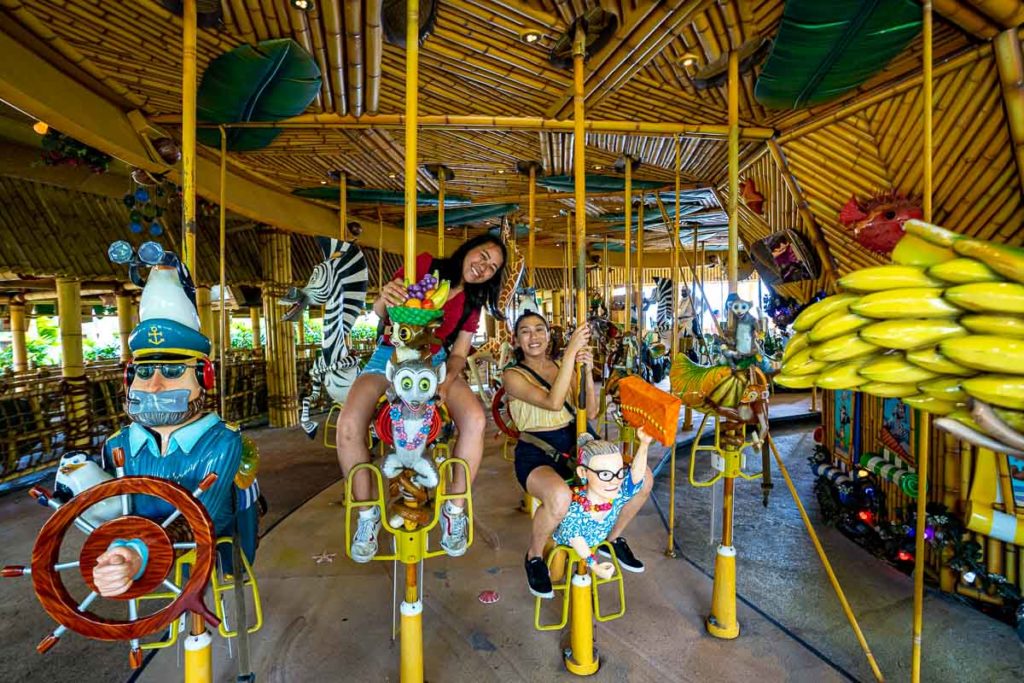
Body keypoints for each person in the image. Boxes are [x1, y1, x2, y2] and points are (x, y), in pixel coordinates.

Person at [91, 250, 259, 597]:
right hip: (138, 543)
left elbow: (202, 517)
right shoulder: (117, 445)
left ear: (204, 376)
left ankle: (237, 559)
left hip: (200, 535)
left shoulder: (222, 442)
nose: (154, 386)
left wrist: (138, 552)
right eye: (143, 372)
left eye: (171, 371)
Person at [338, 234, 507, 562]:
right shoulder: (426, 265)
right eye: (483, 255)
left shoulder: (473, 303)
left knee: (474, 419)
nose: (484, 266)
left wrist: (446, 383)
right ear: (467, 249)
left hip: (435, 362)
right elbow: (381, 311)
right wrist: (383, 296)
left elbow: (458, 354)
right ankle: (367, 514)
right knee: (348, 424)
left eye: (492, 267)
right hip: (391, 353)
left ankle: (454, 510)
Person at [502, 312, 652, 599]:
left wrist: (584, 372)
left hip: (578, 439)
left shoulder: (562, 364)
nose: (533, 337)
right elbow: (553, 401)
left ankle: (613, 537)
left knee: (642, 479)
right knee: (560, 497)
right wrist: (571, 353)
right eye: (525, 332)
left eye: (539, 330)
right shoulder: (513, 375)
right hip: (537, 449)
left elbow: (590, 412)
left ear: (548, 335)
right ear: (517, 340)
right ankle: (534, 556)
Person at [553, 428, 652, 580]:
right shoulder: (576, 508)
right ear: (583, 473)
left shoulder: (616, 496)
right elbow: (575, 538)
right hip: (566, 546)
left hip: (594, 544)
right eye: (605, 474)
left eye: (619, 472)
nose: (615, 480)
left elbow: (635, 477)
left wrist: (644, 445)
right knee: (555, 575)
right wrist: (595, 566)